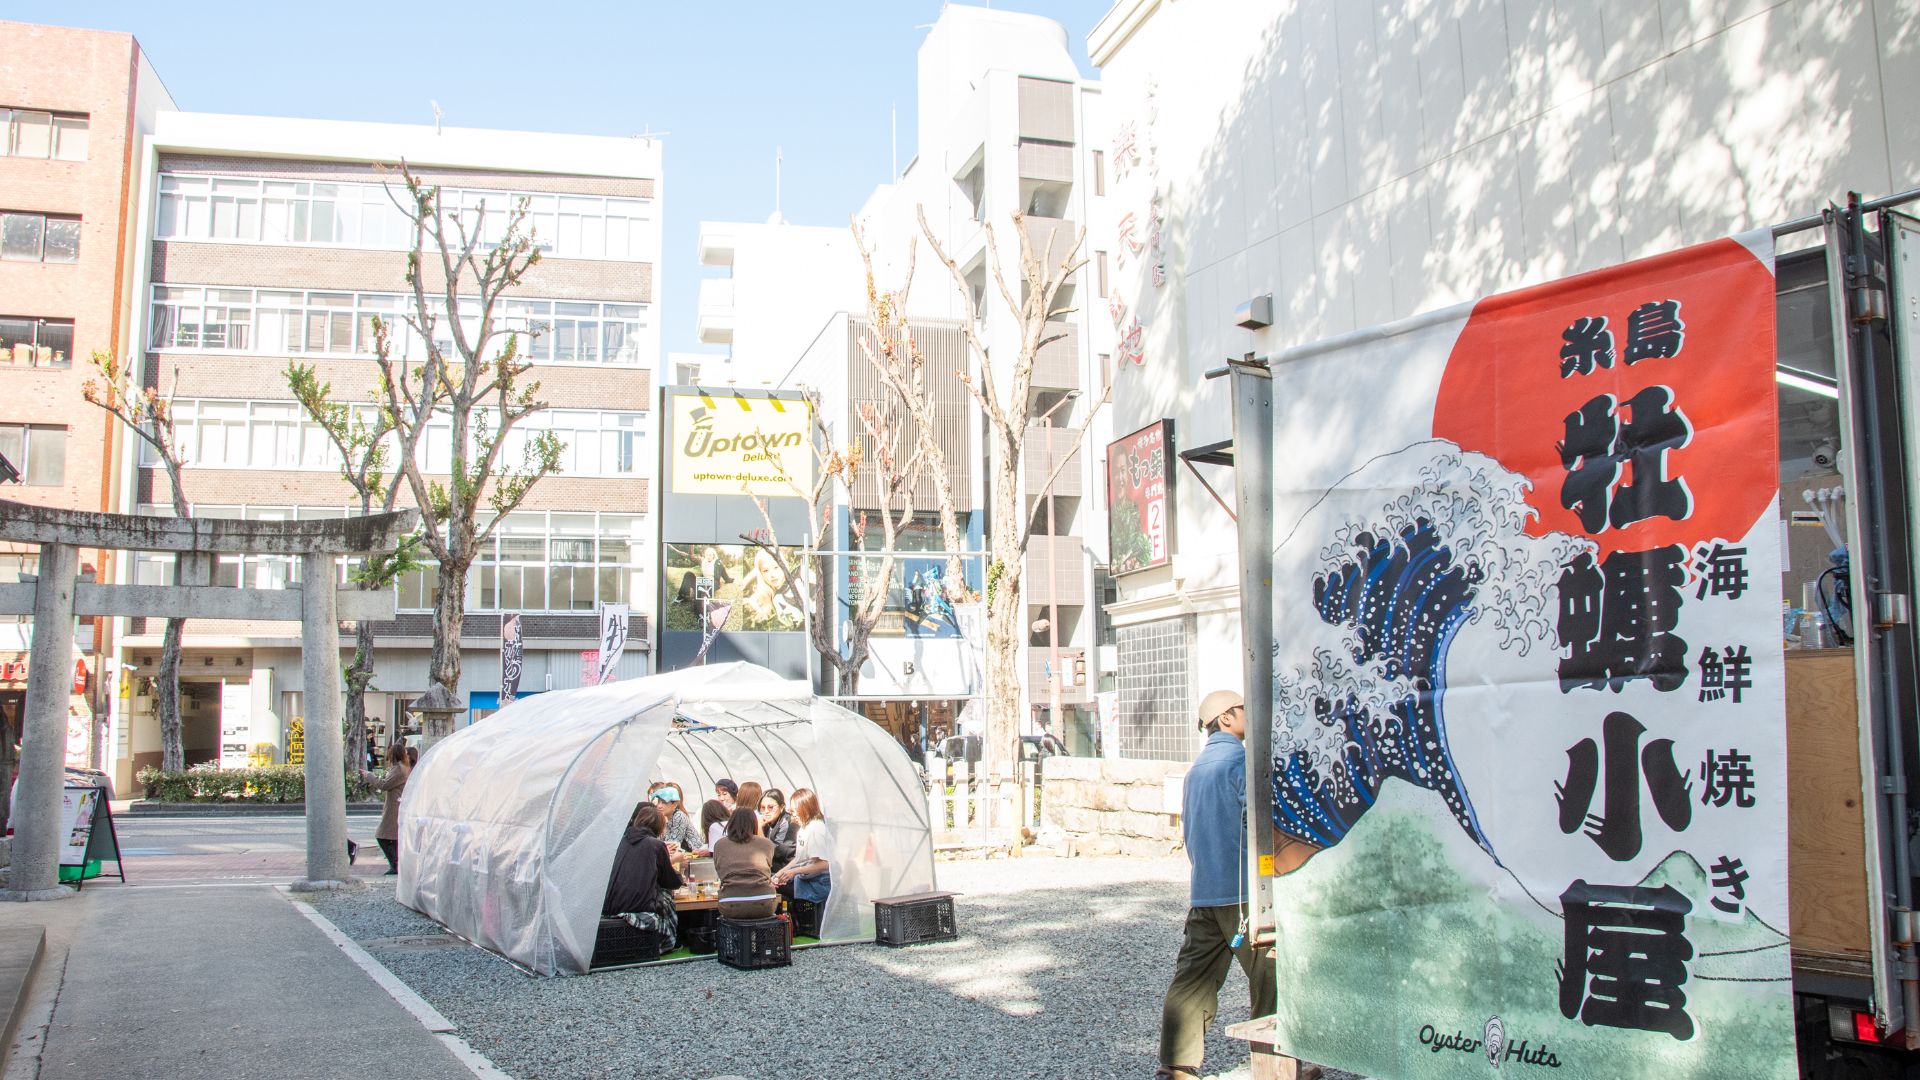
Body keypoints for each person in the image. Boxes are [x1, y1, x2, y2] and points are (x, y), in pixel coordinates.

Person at [1156, 690, 1276, 1080]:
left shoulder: (1195, 772)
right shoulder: (1242, 762)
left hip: (1204, 893)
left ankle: (1176, 1066)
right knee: (1271, 980)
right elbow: (1257, 825)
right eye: (1244, 709)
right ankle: (1275, 1067)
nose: (1249, 715)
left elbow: (1191, 832)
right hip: (1244, 898)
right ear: (1226, 718)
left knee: (1193, 979)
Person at [603, 803, 685, 951]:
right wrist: (679, 871)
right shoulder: (655, 845)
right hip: (639, 908)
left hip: (610, 907)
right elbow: (670, 882)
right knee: (665, 895)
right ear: (658, 826)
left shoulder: (619, 841)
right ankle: (670, 940)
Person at [710, 805, 779, 920]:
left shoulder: (720, 845)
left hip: (730, 902)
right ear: (754, 823)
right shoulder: (766, 844)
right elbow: (767, 869)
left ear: (731, 822)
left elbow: (720, 871)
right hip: (764, 901)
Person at [771, 787, 830, 905]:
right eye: (791, 812)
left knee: (773, 889)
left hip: (819, 883)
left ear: (805, 808)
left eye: (794, 811)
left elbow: (825, 863)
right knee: (773, 882)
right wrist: (780, 874)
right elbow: (799, 859)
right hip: (807, 879)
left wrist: (794, 872)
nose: (793, 815)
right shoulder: (804, 828)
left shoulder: (817, 829)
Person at [360, 743, 410, 876]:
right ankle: (397, 865)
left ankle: (395, 865)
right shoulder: (402, 768)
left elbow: (384, 785)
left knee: (382, 835)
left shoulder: (398, 770)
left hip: (394, 807)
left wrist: (370, 776)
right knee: (392, 837)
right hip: (395, 805)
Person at [650, 783, 701, 853]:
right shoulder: (665, 817)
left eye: (664, 802)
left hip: (696, 857)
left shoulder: (679, 816)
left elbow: (673, 845)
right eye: (659, 802)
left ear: (675, 804)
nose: (659, 806)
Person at [760, 789, 797, 873]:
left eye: (771, 807)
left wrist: (759, 832)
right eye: (762, 808)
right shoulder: (766, 824)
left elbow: (781, 851)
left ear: (782, 807)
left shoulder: (789, 822)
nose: (766, 811)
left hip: (786, 871)